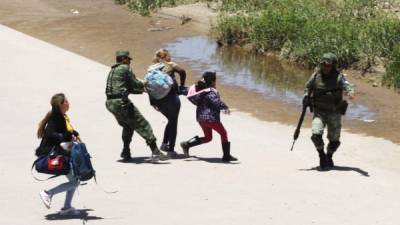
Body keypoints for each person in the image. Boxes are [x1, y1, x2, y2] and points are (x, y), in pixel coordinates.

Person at [105, 50, 168, 161]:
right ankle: (155, 151)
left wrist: (141, 90)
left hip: (110, 103)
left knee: (128, 126)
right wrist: (145, 82)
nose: (130, 61)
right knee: (143, 124)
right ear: (124, 59)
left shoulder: (113, 70)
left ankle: (125, 151)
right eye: (129, 59)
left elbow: (128, 88)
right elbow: (135, 83)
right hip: (121, 103)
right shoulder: (125, 68)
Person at [303, 53, 355, 169]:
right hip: (319, 112)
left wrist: (350, 93)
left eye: (328, 66)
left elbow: (348, 86)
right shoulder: (316, 75)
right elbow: (308, 87)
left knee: (335, 140)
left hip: (334, 113)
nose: (326, 68)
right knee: (316, 135)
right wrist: (306, 96)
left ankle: (329, 156)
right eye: (324, 65)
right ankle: (321, 155)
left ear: (333, 66)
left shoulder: (339, 77)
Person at [36, 93, 81, 216]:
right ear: (61, 104)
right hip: (53, 155)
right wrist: (65, 136)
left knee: (75, 179)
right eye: (66, 101)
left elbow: (62, 132)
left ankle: (67, 207)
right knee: (75, 181)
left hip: (61, 153)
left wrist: (72, 133)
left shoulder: (61, 116)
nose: (69, 103)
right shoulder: (56, 117)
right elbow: (50, 134)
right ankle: (48, 193)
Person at [180, 71, 237, 162]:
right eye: (215, 81)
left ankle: (187, 144)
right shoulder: (211, 92)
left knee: (208, 137)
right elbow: (217, 102)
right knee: (223, 133)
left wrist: (177, 89)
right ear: (212, 82)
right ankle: (226, 156)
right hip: (211, 119)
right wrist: (225, 107)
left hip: (200, 118)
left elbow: (184, 90)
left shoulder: (198, 90)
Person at [148, 49, 187, 157]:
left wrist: (152, 102)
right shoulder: (171, 64)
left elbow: (149, 85)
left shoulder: (151, 68)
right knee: (174, 122)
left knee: (171, 120)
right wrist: (181, 86)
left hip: (158, 100)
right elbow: (182, 71)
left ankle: (164, 144)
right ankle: (171, 149)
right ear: (166, 56)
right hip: (171, 98)